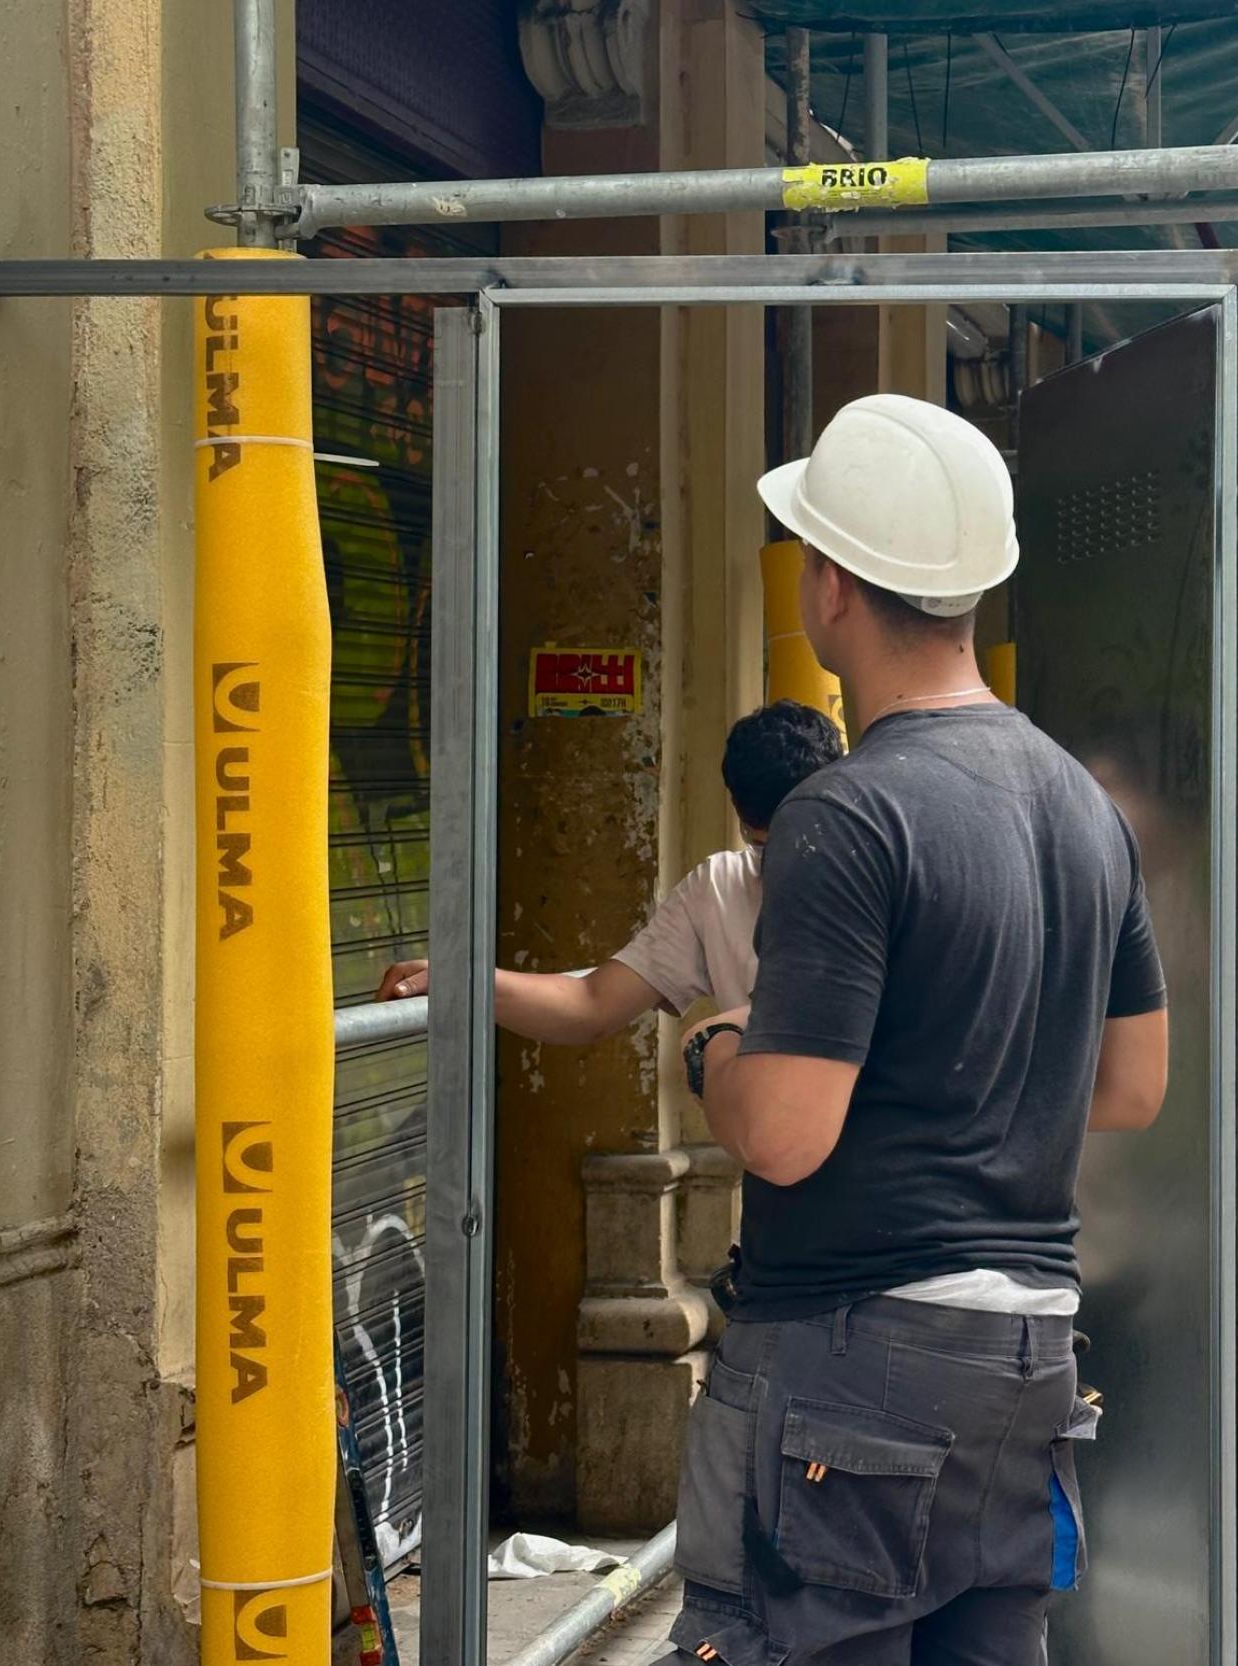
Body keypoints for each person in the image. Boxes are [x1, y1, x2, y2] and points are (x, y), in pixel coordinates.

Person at [665, 394, 1169, 1666]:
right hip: (1024, 1362)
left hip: (849, 1362)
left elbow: (782, 1137)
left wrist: (715, 1047)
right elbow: (1130, 1085)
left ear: (829, 585)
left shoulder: (846, 814)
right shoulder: (1077, 804)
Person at [374, 700, 844, 1034]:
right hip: (778, 1161)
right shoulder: (718, 886)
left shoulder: (886, 868)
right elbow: (590, 1004)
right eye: (767, 845)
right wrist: (459, 979)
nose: (782, 863)